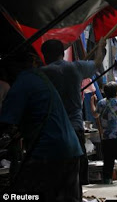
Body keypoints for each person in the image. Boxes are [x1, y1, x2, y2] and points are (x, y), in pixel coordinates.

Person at [0, 50, 82, 201]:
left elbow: (5, 121)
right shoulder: (40, 78)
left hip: (49, 152)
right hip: (71, 150)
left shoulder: (23, 82)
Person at [40, 37, 106, 193]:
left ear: (45, 56)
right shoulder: (76, 67)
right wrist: (101, 47)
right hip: (74, 128)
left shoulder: (41, 73)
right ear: (62, 53)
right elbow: (97, 63)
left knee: (52, 175)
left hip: (50, 131)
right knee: (75, 174)